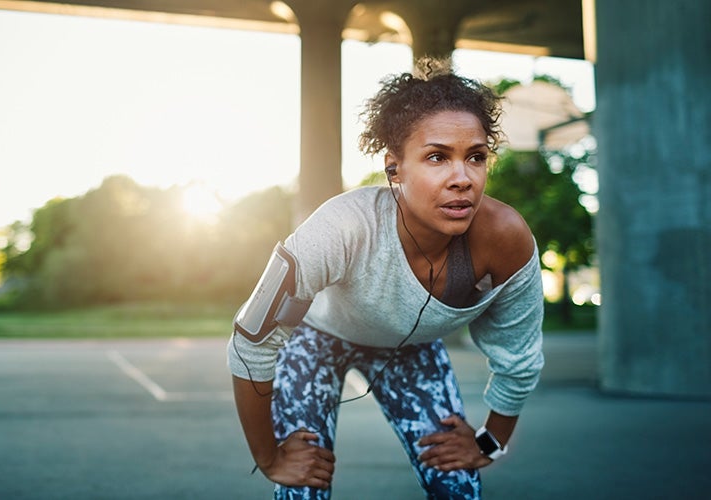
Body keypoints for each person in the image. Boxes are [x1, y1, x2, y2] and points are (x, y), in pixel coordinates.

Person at [227, 56, 544, 500]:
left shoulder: (505, 239)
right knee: (303, 488)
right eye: (437, 157)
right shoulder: (341, 227)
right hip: (316, 339)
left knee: (457, 484)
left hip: (409, 350)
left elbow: (519, 357)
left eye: (475, 157)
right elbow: (252, 339)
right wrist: (269, 458)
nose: (462, 178)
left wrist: (489, 442)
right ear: (395, 168)